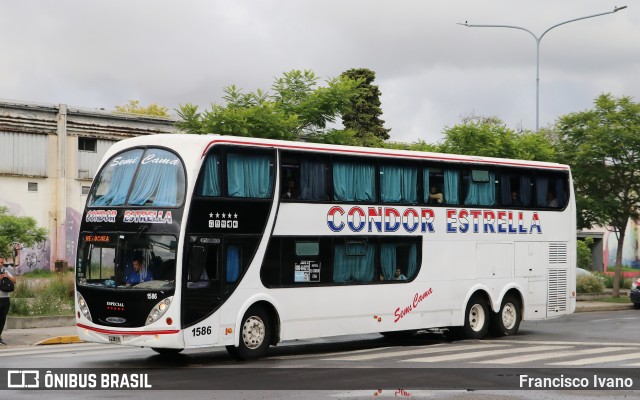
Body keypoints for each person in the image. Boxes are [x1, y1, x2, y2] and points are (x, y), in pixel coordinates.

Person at [0, 255, 17, 345]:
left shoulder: (5, 271)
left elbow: (14, 281)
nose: (1, 264)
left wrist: (7, 276)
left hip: (5, 298)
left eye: (2, 262)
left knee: (2, 319)